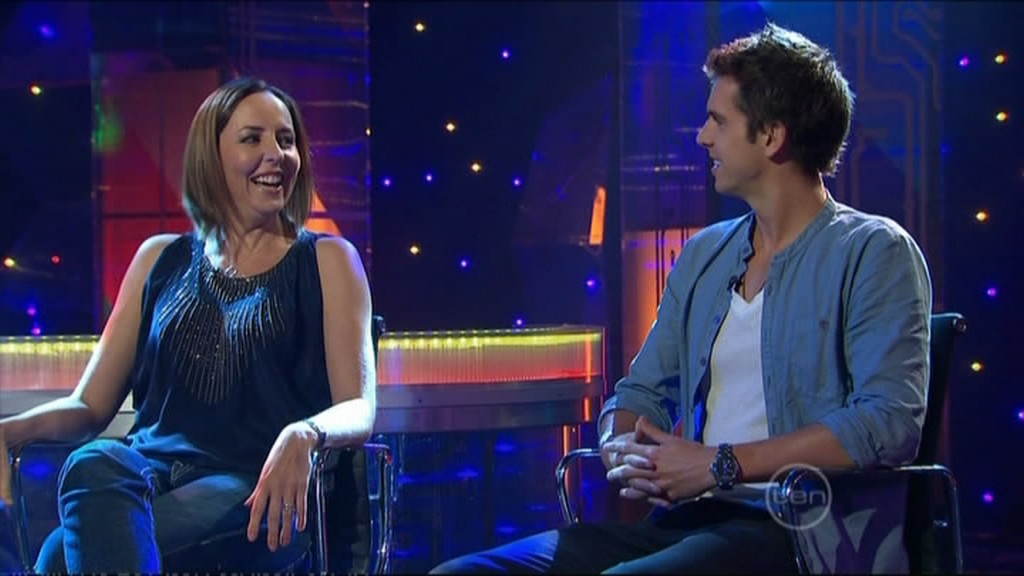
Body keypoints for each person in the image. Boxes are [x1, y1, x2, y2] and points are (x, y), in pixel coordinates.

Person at [431, 22, 931, 574]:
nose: (702, 137)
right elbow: (642, 391)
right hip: (689, 521)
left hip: (799, 531)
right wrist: (621, 443)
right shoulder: (705, 255)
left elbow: (887, 424)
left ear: (771, 136)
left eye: (719, 121)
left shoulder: (874, 251)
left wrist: (721, 465)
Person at [0, 76, 376, 573]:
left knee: (58, 560)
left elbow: (360, 407)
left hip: (254, 486)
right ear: (210, 157)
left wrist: (304, 433)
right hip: (148, 472)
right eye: (252, 139)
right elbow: (90, 406)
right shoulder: (159, 258)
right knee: (93, 461)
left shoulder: (329, 260)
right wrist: (8, 430)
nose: (276, 155)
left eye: (286, 140)